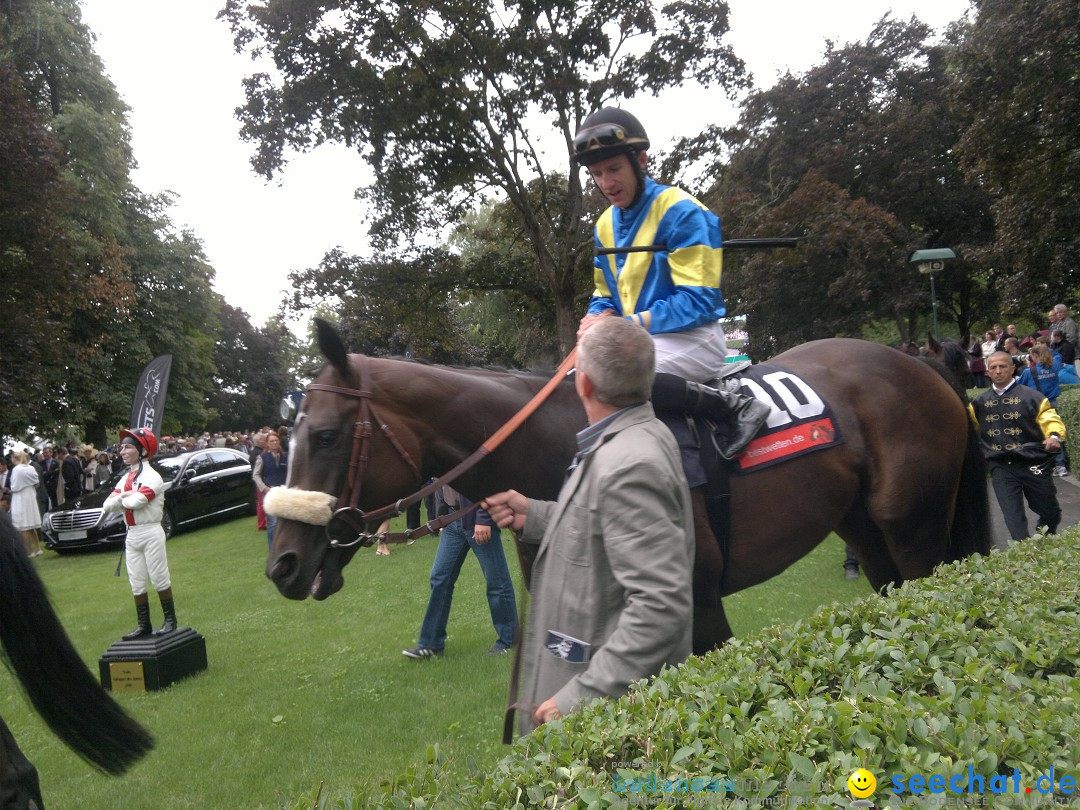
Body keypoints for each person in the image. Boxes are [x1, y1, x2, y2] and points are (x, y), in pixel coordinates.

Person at [483, 317, 694, 732]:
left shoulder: (631, 463)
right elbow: (604, 527)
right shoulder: (631, 437)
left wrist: (583, 696)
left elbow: (661, 606)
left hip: (598, 714)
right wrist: (537, 515)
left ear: (582, 384)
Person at [573, 107, 769, 462]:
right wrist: (595, 318)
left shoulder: (681, 210)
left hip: (695, 337)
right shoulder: (604, 225)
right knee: (575, 378)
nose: (606, 183)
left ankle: (734, 406)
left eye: (614, 169)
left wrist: (623, 325)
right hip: (636, 339)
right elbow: (605, 292)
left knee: (615, 379)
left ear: (641, 160)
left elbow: (700, 302)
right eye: (597, 173)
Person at [402, 486, 517, 659]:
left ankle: (509, 640)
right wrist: (441, 516)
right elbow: (440, 482)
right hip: (451, 520)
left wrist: (484, 518)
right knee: (440, 578)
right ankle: (431, 644)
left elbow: (487, 478)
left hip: (477, 519)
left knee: (496, 581)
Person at [970, 352, 1065, 542]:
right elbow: (966, 427)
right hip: (1001, 465)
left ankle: (1045, 536)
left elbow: (1049, 418)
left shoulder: (1033, 397)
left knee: (1050, 511)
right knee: (1013, 518)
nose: (998, 371)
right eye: (993, 367)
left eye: (1003, 366)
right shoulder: (978, 403)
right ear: (987, 372)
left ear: (1012, 368)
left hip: (1032, 462)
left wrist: (1054, 436)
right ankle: (1026, 553)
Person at [104, 428, 179, 638]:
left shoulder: (152, 476)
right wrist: (127, 495)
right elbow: (107, 505)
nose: (122, 451)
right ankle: (143, 624)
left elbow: (138, 501)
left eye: (127, 447)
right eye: (122, 447)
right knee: (136, 580)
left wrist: (124, 498)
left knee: (159, 577)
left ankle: (170, 620)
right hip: (132, 534)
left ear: (142, 450)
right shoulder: (126, 477)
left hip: (150, 530)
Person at [253, 432, 288, 550]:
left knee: (286, 521)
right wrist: (264, 488)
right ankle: (273, 549)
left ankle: (285, 546)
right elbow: (256, 475)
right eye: (272, 441)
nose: (274, 443)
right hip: (270, 492)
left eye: (276, 441)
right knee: (273, 523)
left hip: (284, 491)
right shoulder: (262, 457)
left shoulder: (285, 456)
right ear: (267, 443)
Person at [8, 452, 43, 557]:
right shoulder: (30, 468)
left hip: (20, 497)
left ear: (15, 459)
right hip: (30, 496)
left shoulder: (16, 470)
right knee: (31, 524)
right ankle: (37, 548)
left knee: (24, 526)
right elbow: (37, 483)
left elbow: (14, 487)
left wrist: (10, 491)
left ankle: (29, 551)